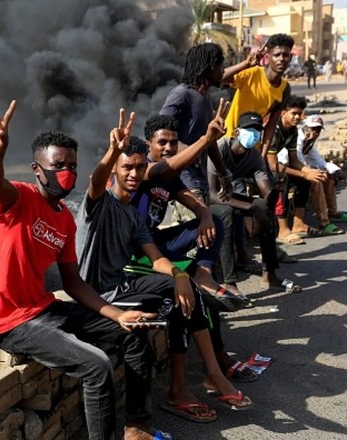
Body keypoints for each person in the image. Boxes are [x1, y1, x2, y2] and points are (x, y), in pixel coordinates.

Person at [0, 93, 170, 440]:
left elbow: (73, 282)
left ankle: (137, 426)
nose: (67, 173)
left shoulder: (65, 219)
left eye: (72, 166)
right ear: (38, 169)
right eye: (58, 166)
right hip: (13, 322)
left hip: (44, 308)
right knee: (96, 365)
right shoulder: (20, 198)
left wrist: (117, 315)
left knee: (135, 333)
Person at [76, 107, 252, 425]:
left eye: (138, 167)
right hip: (98, 294)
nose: (133, 174)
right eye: (126, 167)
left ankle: (190, 384)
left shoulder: (134, 214)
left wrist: (178, 272)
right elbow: (97, 181)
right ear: (116, 170)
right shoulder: (100, 202)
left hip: (124, 284)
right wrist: (112, 151)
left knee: (187, 293)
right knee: (180, 301)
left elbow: (155, 255)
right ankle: (198, 380)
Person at [160, 42, 264, 224]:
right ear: (208, 68)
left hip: (200, 181)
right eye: (219, 65)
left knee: (205, 242)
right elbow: (161, 132)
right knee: (192, 244)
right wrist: (189, 153)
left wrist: (224, 174)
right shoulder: (181, 94)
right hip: (184, 182)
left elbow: (210, 142)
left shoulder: (204, 99)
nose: (222, 71)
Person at [208, 111, 302, 295]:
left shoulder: (254, 156)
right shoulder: (221, 147)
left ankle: (270, 275)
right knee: (225, 214)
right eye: (249, 130)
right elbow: (211, 194)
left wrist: (276, 189)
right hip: (206, 196)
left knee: (262, 208)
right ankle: (230, 282)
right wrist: (248, 207)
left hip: (229, 195)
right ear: (236, 132)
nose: (253, 134)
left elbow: (266, 194)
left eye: (257, 130)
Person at [264, 96, 327, 245]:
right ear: (283, 113)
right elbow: (273, 165)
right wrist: (304, 173)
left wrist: (308, 173)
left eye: (300, 113)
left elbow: (294, 161)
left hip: (272, 165)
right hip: (255, 166)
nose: (298, 117)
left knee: (304, 181)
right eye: (294, 113)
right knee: (281, 180)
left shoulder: (292, 131)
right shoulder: (274, 130)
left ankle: (298, 224)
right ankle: (283, 229)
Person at [277, 115, 347, 232]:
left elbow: (317, 160)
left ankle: (332, 213)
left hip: (299, 169)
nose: (315, 133)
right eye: (312, 129)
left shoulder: (308, 142)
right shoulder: (297, 139)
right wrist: (312, 173)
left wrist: (334, 169)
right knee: (316, 181)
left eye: (318, 130)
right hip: (285, 171)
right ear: (306, 127)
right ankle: (324, 222)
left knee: (328, 177)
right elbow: (296, 162)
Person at [224, 33, 294, 159]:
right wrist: (246, 64)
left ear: (291, 58)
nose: (282, 59)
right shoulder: (252, 73)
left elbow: (271, 125)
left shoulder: (285, 89)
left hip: (252, 146)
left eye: (286, 55)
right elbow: (220, 78)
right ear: (267, 57)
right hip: (230, 138)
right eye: (277, 55)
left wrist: (262, 156)